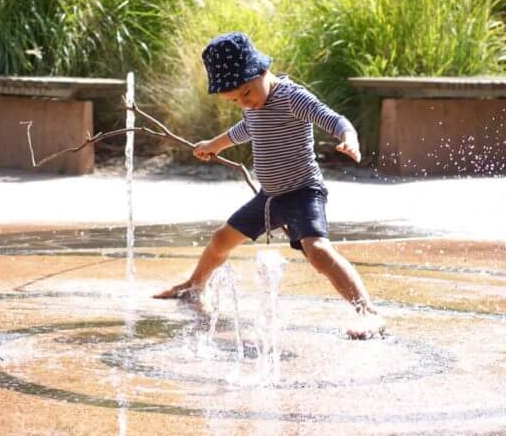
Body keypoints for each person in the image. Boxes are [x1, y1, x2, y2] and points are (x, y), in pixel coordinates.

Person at [153, 32, 385, 339]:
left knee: (317, 252)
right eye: (235, 100)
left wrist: (349, 138)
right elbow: (245, 129)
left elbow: (331, 118)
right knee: (221, 239)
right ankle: (195, 285)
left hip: (303, 192)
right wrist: (215, 144)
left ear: (261, 71)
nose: (244, 102)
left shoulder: (291, 97)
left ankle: (369, 313)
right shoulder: (253, 104)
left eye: (246, 94)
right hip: (271, 197)